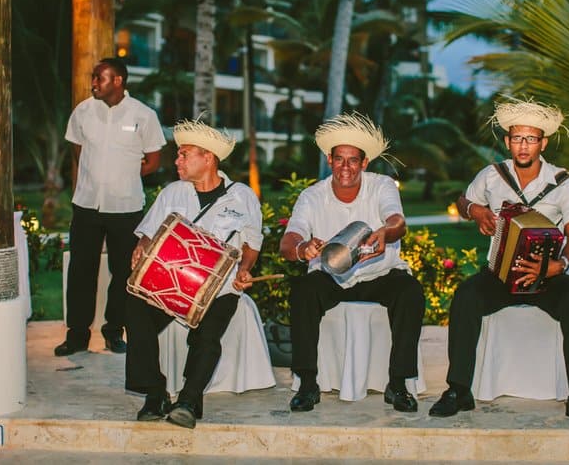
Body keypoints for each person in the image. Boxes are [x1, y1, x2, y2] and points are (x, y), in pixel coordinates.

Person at [428, 99, 569, 421]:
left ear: (543, 142)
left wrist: (561, 265)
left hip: (547, 275)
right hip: (499, 274)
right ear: (508, 140)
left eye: (530, 139)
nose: (523, 145)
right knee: (466, 297)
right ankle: (458, 389)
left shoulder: (565, 183)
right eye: (516, 138)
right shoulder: (492, 175)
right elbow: (463, 201)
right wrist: (476, 210)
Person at [279, 113, 425, 413]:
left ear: (364, 163)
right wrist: (303, 247)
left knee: (410, 291)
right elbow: (288, 240)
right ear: (329, 160)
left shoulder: (382, 185)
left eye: (353, 160)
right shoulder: (311, 196)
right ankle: (308, 383)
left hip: (378, 273)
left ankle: (397, 384)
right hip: (331, 278)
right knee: (304, 291)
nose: (346, 167)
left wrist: (386, 231)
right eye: (339, 159)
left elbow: (397, 221)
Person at [126, 119, 263, 429]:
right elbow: (148, 231)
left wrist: (244, 269)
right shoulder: (173, 193)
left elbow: (252, 244)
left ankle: (188, 399)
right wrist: (142, 246)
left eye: (184, 154)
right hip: (169, 286)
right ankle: (155, 391)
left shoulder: (241, 196)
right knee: (134, 307)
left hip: (220, 288)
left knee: (208, 334)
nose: (177, 161)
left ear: (208, 157)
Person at [55, 57, 166, 357]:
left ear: (117, 80)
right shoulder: (83, 111)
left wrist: (123, 176)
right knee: (81, 270)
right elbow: (77, 149)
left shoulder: (143, 115)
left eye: (99, 77)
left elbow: (154, 161)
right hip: (87, 205)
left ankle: (114, 331)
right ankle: (76, 335)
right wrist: (97, 178)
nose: (93, 83)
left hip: (126, 207)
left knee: (123, 272)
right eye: (93, 77)